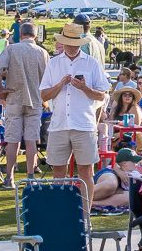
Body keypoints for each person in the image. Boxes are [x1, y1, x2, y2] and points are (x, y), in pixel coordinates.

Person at [40, 22, 109, 177]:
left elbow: (102, 95)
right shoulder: (53, 63)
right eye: (69, 44)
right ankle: (62, 201)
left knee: (86, 170)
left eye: (75, 45)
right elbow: (44, 96)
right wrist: (60, 84)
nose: (72, 48)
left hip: (84, 124)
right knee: (58, 169)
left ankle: (86, 203)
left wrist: (85, 88)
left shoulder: (91, 63)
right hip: (59, 124)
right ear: (63, 43)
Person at [0, 22, 48, 186]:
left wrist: (1, 89)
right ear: (35, 35)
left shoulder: (11, 49)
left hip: (15, 97)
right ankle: (31, 176)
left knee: (13, 140)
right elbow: (48, 78)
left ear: (21, 34)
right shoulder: (43, 52)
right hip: (35, 99)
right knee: (31, 140)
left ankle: (10, 177)